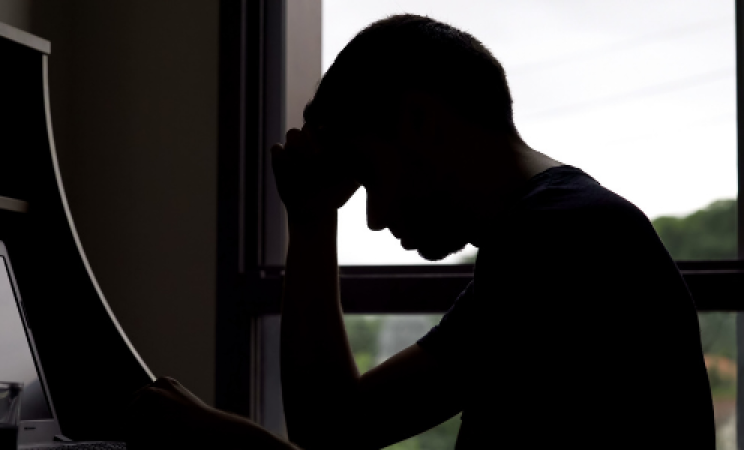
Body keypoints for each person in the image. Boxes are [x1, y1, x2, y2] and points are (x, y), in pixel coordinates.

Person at [126, 13, 716, 450]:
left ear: (419, 121)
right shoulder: (561, 231)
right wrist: (309, 219)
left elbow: (333, 430)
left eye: (369, 176)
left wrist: (218, 443)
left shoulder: (564, 244)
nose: (376, 216)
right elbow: (339, 426)